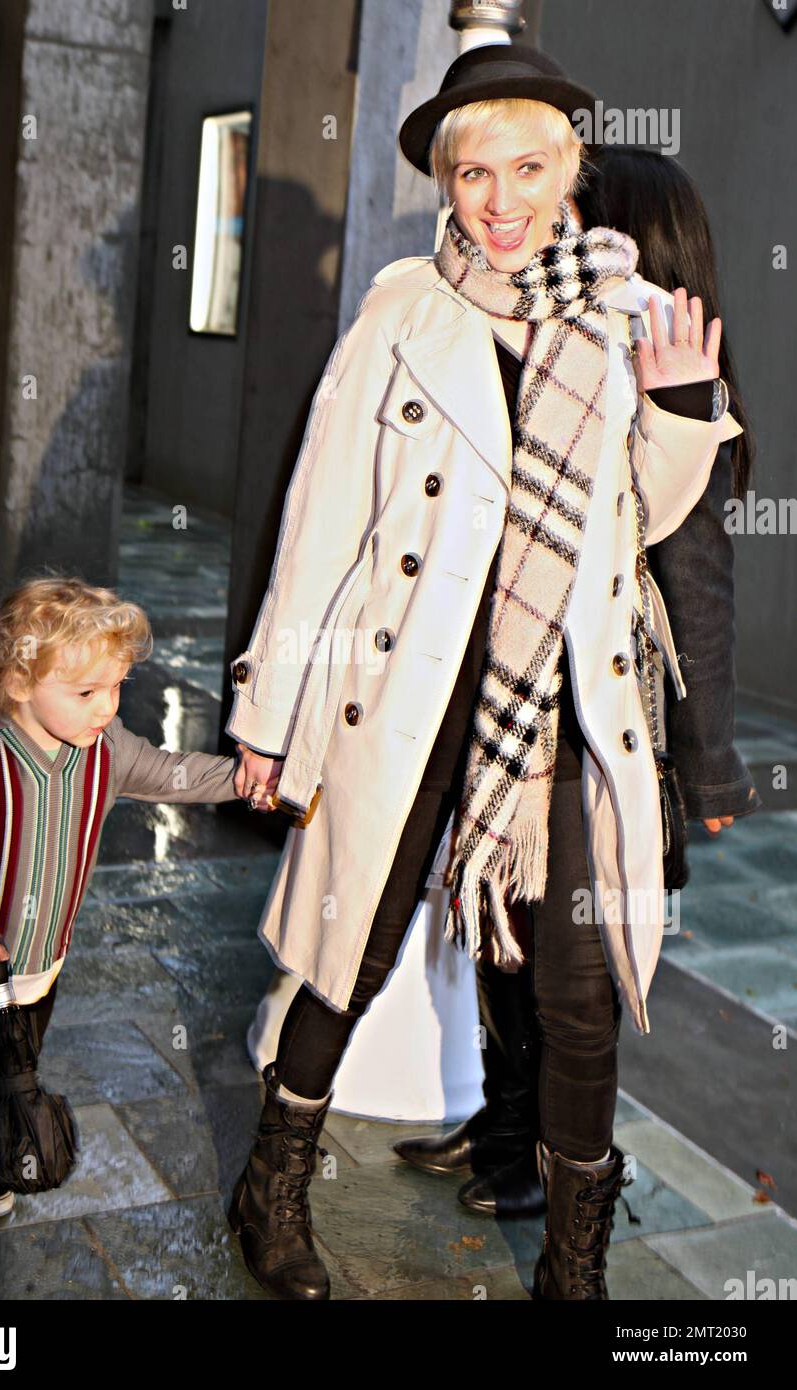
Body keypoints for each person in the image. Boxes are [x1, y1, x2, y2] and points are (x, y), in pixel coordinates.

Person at [225, 45, 743, 1301]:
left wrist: (678, 408)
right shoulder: (402, 310)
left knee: (577, 1001)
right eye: (472, 173)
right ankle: (271, 1186)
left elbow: (643, 526)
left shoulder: (623, 319)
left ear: (572, 170)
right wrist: (268, 708)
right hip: (405, 691)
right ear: (444, 184)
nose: (498, 200)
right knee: (344, 945)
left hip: (561, 711)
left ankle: (575, 1270)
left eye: (526, 167)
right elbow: (322, 520)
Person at [394, 145, 761, 1223]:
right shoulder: (557, 360)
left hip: (610, 737)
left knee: (573, 978)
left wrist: (712, 765)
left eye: (576, 217)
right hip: (521, 717)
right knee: (500, 933)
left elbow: (697, 589)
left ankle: (548, 1172)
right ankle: (503, 1124)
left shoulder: (674, 386)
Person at [0, 574, 241, 1276]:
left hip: (40, 963)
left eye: (115, 688)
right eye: (86, 693)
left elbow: (173, 773)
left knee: (12, 1068)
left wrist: (245, 781)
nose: (106, 708)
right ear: (20, 681)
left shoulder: (107, 750)